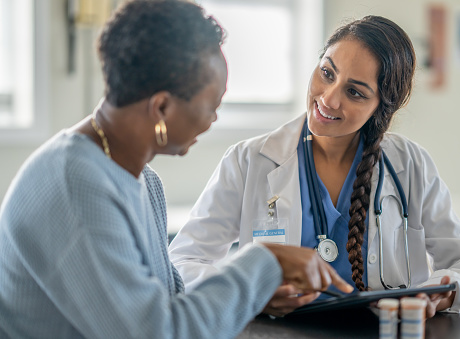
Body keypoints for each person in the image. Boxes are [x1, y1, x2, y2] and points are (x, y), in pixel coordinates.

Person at [0, 1, 354, 338]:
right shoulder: (74, 186)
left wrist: (259, 293)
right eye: (211, 105)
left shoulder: (142, 180)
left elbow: (170, 302)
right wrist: (263, 260)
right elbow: (159, 333)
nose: (214, 118)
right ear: (162, 107)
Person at [169, 15, 460, 318]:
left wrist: (441, 294)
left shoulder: (409, 165)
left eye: (354, 92)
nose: (329, 98)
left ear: (382, 106)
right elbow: (182, 262)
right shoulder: (249, 161)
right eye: (327, 73)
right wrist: (248, 291)